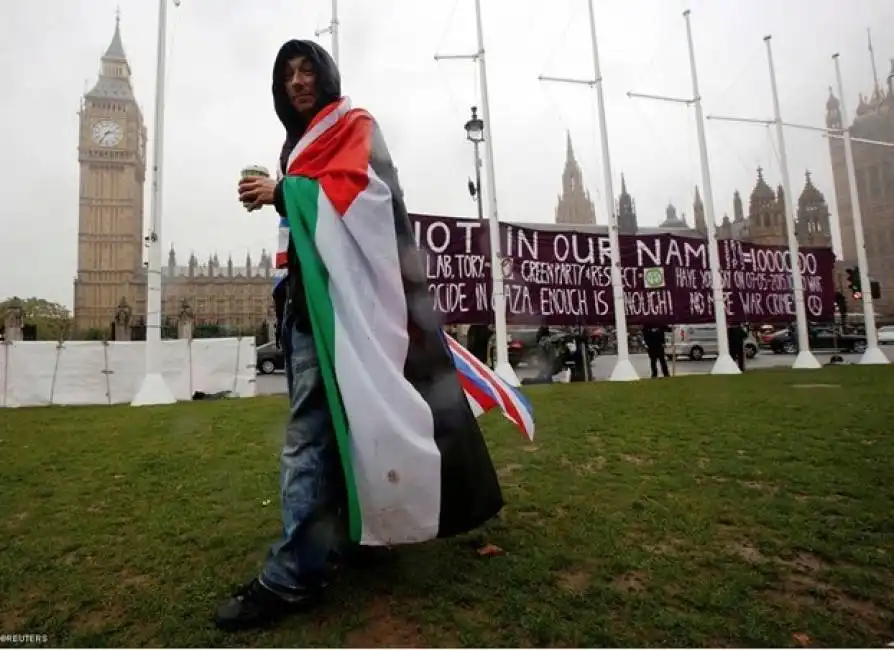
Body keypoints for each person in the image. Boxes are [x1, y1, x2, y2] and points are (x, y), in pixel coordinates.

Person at [217, 39, 350, 632]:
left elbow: (367, 202)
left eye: (307, 71)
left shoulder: (348, 125)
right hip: (301, 305)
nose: (297, 82)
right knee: (325, 432)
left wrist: (285, 192)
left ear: (326, 76)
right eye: (286, 75)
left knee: (304, 439)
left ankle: (294, 574)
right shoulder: (298, 146)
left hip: (333, 309)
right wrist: (281, 195)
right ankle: (337, 542)